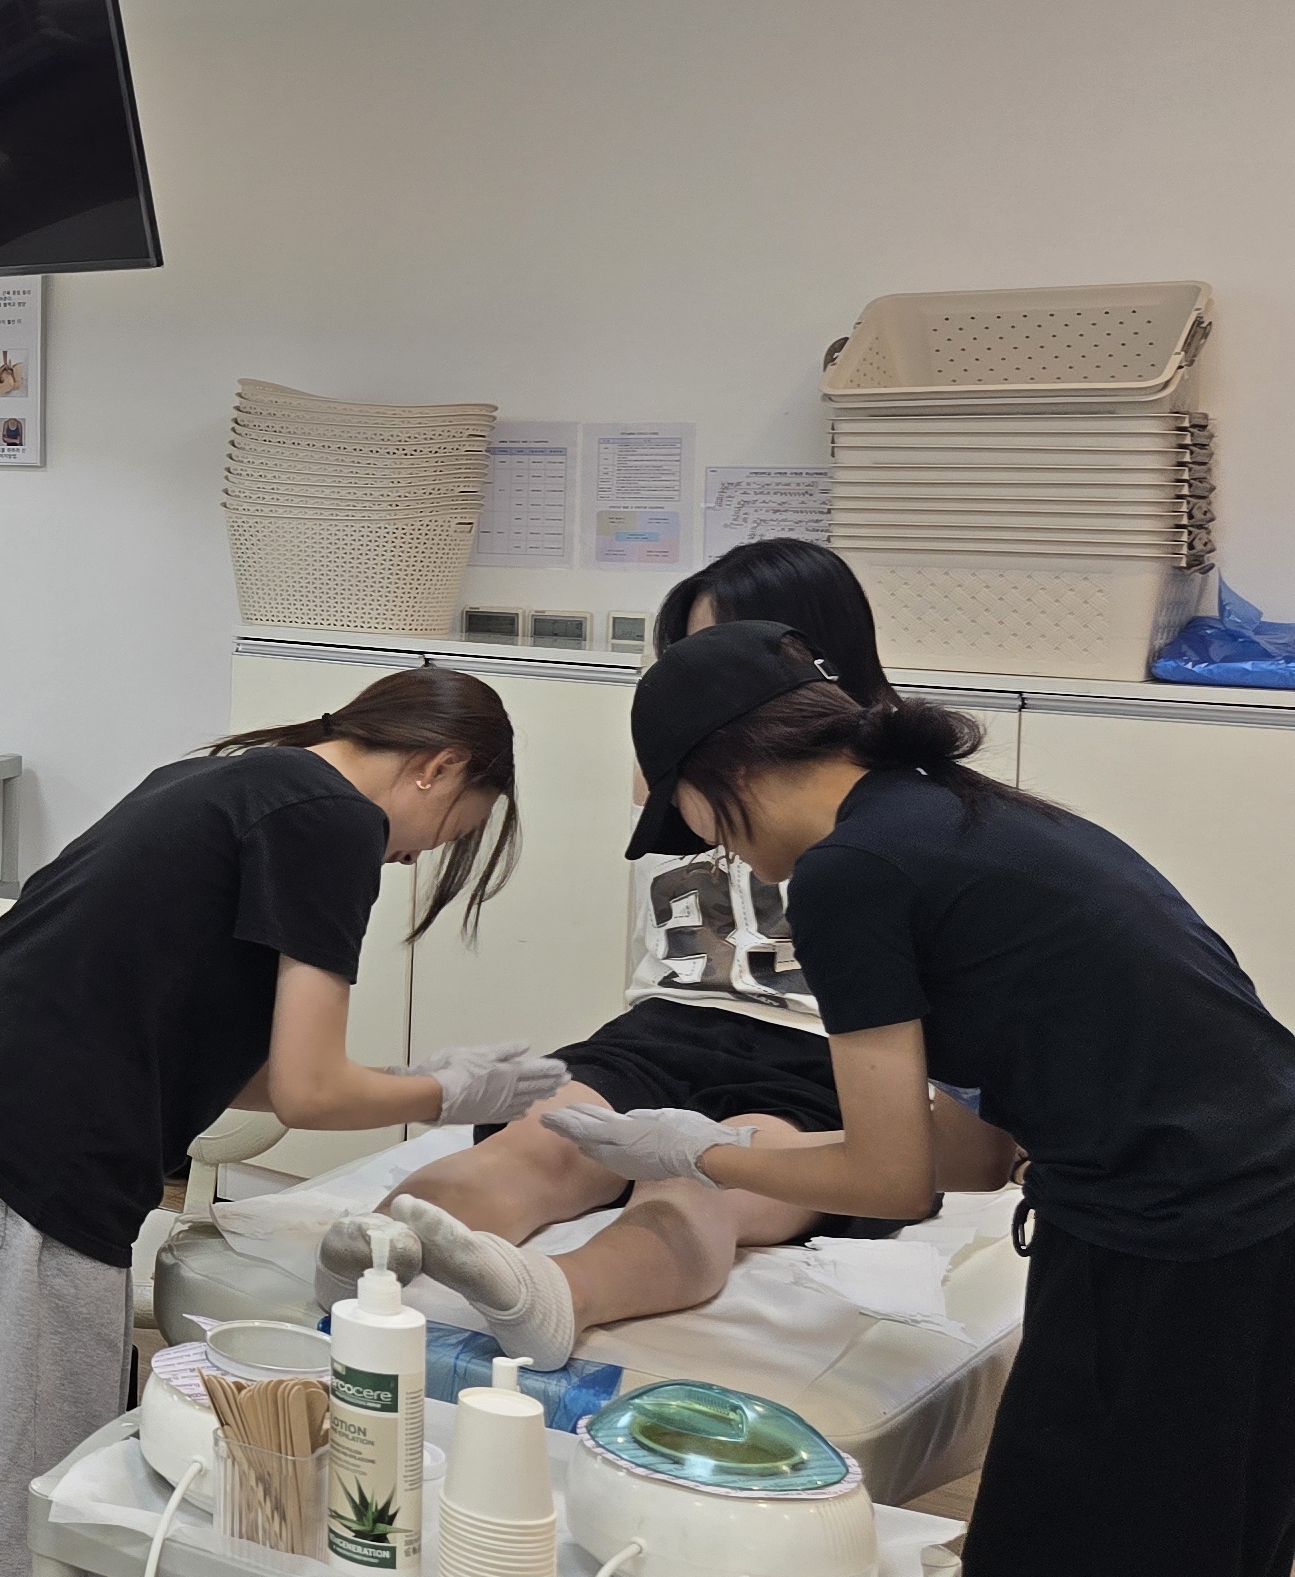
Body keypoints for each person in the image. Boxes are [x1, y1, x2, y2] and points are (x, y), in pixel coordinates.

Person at [553, 621, 1295, 1577]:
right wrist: (738, 1148)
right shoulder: (954, 817)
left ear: (716, 785)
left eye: (695, 821)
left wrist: (698, 1150)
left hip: (1179, 1266)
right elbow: (979, 1148)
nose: (715, 849)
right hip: (1236, 1245)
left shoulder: (851, 873)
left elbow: (890, 1176)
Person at [0, 666, 560, 1577]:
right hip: (27, 1151)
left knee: (5, 1495)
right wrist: (450, 1091)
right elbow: (306, 1089)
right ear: (439, 765)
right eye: (445, 833)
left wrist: (421, 1081)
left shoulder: (241, 780)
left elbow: (229, 1059)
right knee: (21, 1517)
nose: (413, 860)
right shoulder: (332, 820)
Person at [354, 540, 1016, 1358]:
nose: (689, 687)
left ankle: (562, 1295)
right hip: (668, 1026)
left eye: (716, 657)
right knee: (543, 1137)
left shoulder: (890, 801)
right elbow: (652, 782)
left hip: (826, 1054)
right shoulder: (692, 778)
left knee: (698, 1186)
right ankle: (375, 1254)